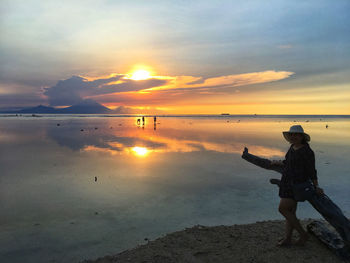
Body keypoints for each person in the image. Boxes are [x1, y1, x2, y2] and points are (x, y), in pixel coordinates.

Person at [270, 125, 324, 247]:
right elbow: (287, 161)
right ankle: (288, 239)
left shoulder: (307, 151)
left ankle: (303, 234)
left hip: (297, 185)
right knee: (291, 212)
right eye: (291, 135)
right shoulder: (292, 147)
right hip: (287, 182)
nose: (293, 136)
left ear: (301, 137)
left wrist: (316, 186)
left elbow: (312, 171)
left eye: (296, 134)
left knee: (282, 209)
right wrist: (277, 162)